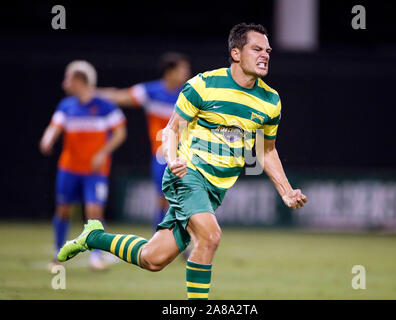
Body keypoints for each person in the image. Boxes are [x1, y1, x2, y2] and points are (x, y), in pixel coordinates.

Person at [57, 23, 307, 300]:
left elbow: (266, 151)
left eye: (268, 50)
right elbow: (171, 130)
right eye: (257, 49)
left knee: (153, 258)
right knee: (210, 237)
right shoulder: (204, 85)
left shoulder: (270, 101)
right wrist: (173, 159)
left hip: (215, 189)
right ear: (236, 53)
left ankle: (93, 236)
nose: (265, 55)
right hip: (188, 175)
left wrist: (286, 191)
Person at [40, 60, 127, 271]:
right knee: (62, 210)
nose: (64, 84)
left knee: (94, 212)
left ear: (80, 80)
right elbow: (54, 127)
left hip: (95, 172)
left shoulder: (104, 106)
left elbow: (120, 132)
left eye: (68, 79)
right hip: (69, 169)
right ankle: (58, 251)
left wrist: (102, 152)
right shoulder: (66, 106)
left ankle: (96, 257)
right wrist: (47, 139)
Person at [97, 52, 191, 233]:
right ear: (170, 71)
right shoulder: (151, 92)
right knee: (163, 199)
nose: (186, 73)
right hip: (162, 155)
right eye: (182, 70)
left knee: (186, 199)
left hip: (186, 156)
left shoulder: (188, 93)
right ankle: (161, 238)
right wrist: (92, 92)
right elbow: (120, 96)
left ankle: (183, 242)